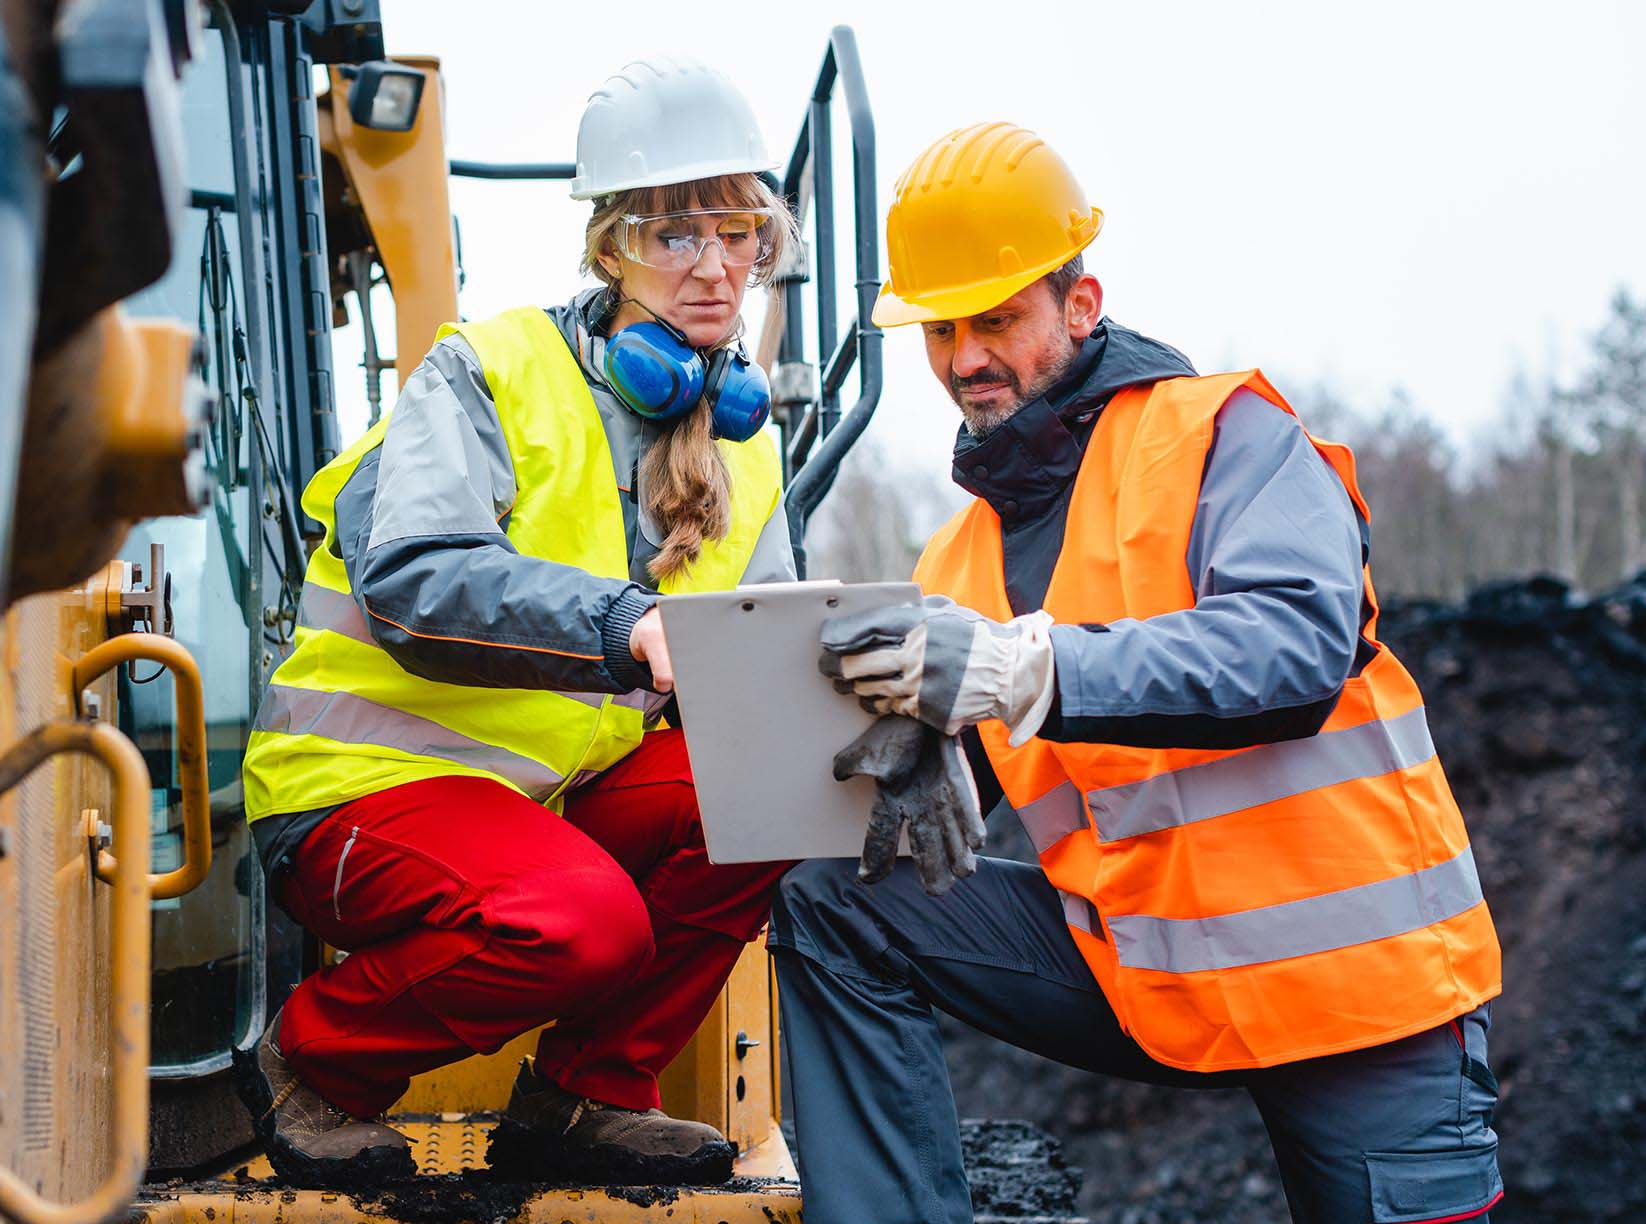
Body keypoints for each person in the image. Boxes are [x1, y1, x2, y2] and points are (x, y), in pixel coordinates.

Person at [771, 123, 1505, 1223]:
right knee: (830, 898)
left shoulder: (1225, 437)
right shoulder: (955, 561)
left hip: (1356, 993)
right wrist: (925, 758)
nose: (964, 357)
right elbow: (988, 733)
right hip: (1149, 977)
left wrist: (1023, 668)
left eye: (997, 319)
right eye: (941, 327)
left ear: (1079, 304)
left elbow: (1293, 651)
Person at [237, 58, 799, 1187]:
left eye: (737, 232)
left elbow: (769, 663)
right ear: (611, 250)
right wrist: (622, 621)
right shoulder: (485, 373)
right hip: (356, 795)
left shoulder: (745, 444)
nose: (713, 263)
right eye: (674, 233)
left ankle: (587, 1097)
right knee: (584, 922)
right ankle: (316, 1064)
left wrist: (883, 714)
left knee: (768, 780)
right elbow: (409, 575)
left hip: (527, 810)